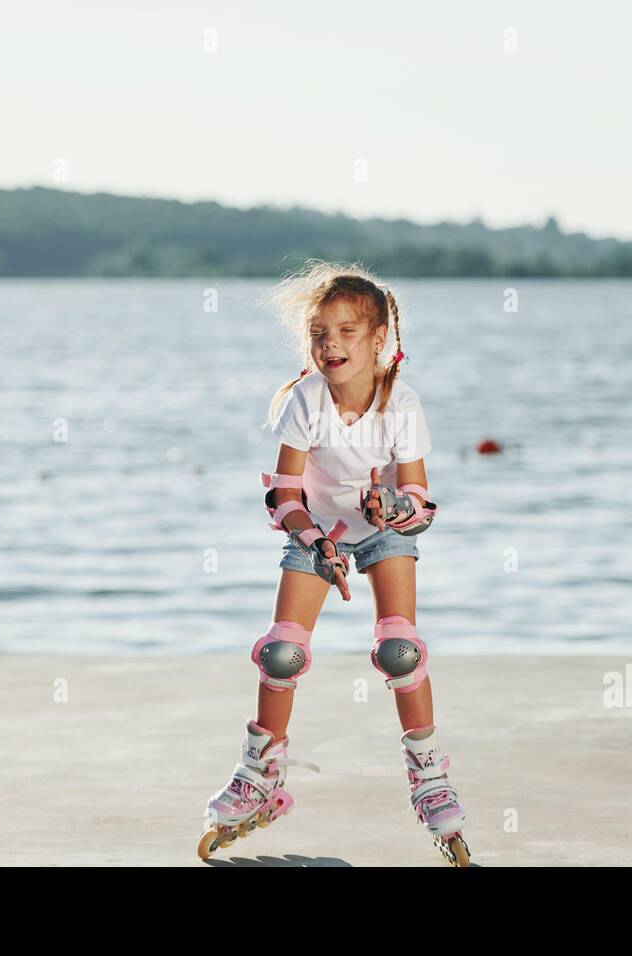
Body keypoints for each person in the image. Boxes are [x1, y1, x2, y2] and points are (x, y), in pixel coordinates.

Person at [198, 262, 470, 866]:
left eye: (347, 332)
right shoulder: (306, 399)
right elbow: (284, 493)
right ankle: (261, 774)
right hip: (317, 529)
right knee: (281, 652)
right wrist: (316, 542)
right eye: (320, 333)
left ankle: (430, 778)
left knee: (400, 650)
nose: (331, 345)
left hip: (383, 533)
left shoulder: (402, 403)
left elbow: (422, 502)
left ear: (379, 340)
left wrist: (394, 506)